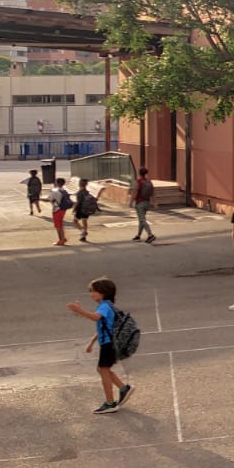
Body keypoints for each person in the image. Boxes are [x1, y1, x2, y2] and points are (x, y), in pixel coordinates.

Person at [66, 277, 134, 415]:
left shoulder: (104, 306)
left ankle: (110, 403)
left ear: (103, 292)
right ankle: (123, 388)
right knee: (102, 369)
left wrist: (79, 311)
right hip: (109, 343)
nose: (91, 294)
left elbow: (96, 318)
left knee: (103, 370)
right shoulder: (107, 305)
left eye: (94, 291)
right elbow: (103, 326)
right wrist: (91, 342)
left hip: (109, 344)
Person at [130, 167, 156, 242]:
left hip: (140, 203)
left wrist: (131, 202)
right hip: (147, 202)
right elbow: (153, 193)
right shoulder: (149, 181)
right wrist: (154, 202)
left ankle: (150, 235)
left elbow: (134, 193)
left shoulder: (138, 181)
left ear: (139, 173)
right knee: (141, 219)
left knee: (142, 220)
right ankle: (138, 235)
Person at [49, 177, 72, 245]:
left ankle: (60, 240)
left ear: (57, 183)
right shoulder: (64, 191)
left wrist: (39, 199)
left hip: (57, 209)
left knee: (58, 226)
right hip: (63, 209)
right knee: (60, 224)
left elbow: (50, 199)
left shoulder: (55, 191)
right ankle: (63, 238)